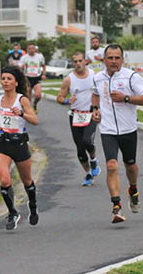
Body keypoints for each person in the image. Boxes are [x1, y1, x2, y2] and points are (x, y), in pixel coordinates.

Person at [91, 44, 143, 223]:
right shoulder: (98, 78)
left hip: (128, 130)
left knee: (130, 166)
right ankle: (116, 206)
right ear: (104, 60)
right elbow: (95, 94)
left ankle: (133, 189)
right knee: (111, 166)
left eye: (117, 58)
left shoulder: (131, 77)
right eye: (110, 58)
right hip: (108, 130)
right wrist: (95, 109)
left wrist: (126, 98)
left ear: (123, 60)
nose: (114, 61)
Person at [0, 66, 39, 230]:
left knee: (27, 180)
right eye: (3, 79)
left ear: (16, 82)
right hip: (2, 143)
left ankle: (33, 205)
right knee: (4, 180)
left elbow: (35, 120)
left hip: (20, 144)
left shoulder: (22, 100)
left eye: (9, 79)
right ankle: (12, 212)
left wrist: (21, 114)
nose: (5, 82)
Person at [56, 52, 101, 187]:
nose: (78, 64)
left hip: (90, 114)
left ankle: (93, 160)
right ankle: (88, 174)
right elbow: (59, 97)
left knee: (87, 141)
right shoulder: (69, 79)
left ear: (85, 61)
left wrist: (97, 108)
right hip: (75, 116)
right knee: (80, 149)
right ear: (72, 63)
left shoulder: (94, 76)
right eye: (75, 61)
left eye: (80, 60)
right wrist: (67, 101)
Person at [20, 44, 46, 112]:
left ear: (35, 49)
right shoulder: (24, 57)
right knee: (28, 97)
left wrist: (44, 74)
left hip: (37, 77)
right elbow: (20, 68)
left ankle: (35, 104)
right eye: (29, 48)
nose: (31, 50)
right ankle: (30, 110)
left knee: (38, 95)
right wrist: (21, 68)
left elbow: (43, 66)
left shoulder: (40, 56)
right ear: (27, 49)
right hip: (27, 78)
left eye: (33, 48)